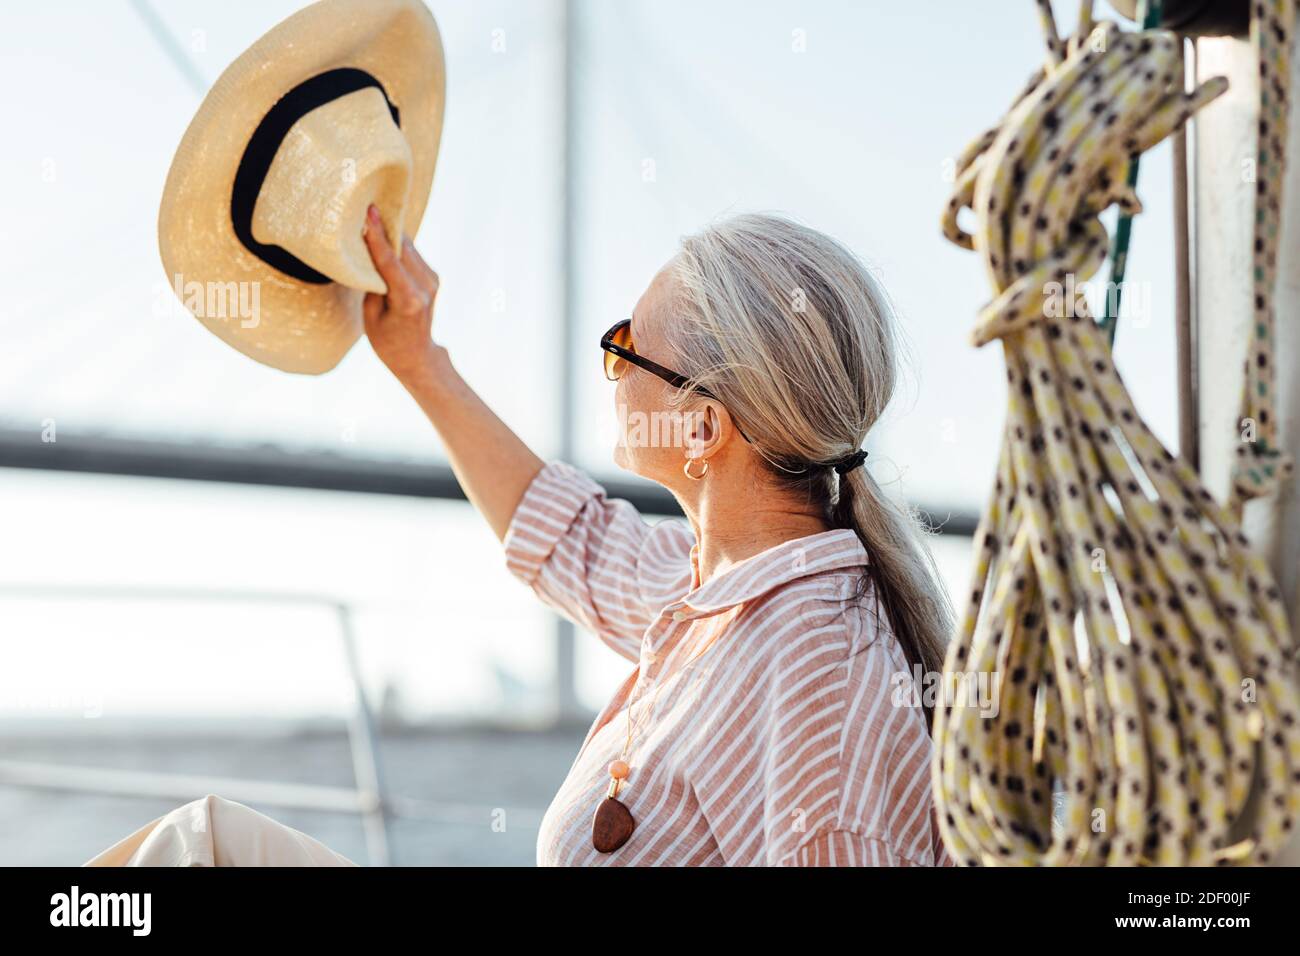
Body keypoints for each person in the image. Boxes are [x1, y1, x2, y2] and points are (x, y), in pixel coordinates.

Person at [86, 208, 956, 867]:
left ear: (702, 430)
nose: (607, 370)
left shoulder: (819, 675)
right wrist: (419, 360)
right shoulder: (717, 598)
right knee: (198, 846)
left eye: (625, 349)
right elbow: (568, 536)